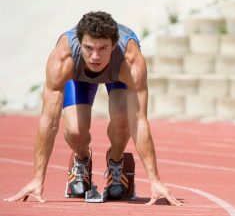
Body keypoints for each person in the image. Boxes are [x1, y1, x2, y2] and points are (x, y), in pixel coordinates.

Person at [6, 11, 182, 205]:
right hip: (78, 76)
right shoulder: (63, 58)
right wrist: (37, 179)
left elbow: (139, 121)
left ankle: (116, 161)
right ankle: (81, 159)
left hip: (117, 75)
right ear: (79, 43)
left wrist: (154, 180)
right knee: (75, 131)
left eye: (103, 48)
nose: (95, 56)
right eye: (89, 48)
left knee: (123, 120)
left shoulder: (130, 60)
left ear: (114, 46)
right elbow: (48, 121)